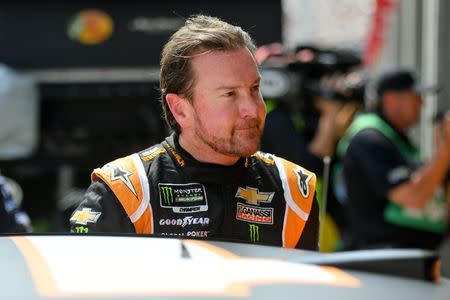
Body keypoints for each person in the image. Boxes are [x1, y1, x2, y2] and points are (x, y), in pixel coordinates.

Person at [69, 15, 319, 250]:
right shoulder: (126, 190)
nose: (252, 109)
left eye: (254, 89)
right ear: (180, 110)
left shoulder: (294, 189)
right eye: (229, 94)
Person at [338, 69, 450, 250]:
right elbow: (414, 197)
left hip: (403, 257)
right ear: (391, 99)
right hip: (379, 258)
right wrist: (445, 148)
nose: (421, 103)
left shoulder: (397, 138)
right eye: (415, 96)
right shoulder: (370, 138)